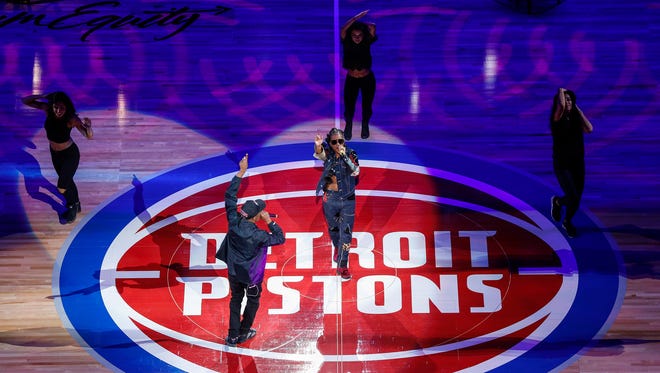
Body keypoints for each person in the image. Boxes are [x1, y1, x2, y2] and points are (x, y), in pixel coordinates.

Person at [215, 154, 285, 347]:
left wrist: (241, 172)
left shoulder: (234, 220)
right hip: (251, 277)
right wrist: (269, 221)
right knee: (252, 302)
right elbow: (280, 238)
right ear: (255, 218)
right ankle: (244, 332)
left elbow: (229, 196)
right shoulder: (258, 235)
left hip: (233, 272)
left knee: (235, 299)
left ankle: (232, 336)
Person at [22, 91, 93, 223]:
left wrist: (88, 127)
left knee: (61, 186)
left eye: (62, 108)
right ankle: (76, 203)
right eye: (56, 107)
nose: (58, 110)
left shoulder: (72, 119)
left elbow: (88, 136)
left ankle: (71, 207)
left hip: (70, 154)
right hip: (55, 154)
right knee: (67, 180)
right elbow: (25, 101)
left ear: (67, 107)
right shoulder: (48, 110)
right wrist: (43, 96)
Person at [313, 128, 360, 281]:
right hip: (330, 199)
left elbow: (355, 170)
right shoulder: (328, 154)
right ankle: (336, 247)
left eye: (340, 141)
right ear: (330, 143)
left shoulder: (351, 153)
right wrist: (318, 146)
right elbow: (320, 153)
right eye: (334, 142)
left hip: (348, 199)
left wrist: (344, 155)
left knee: (346, 233)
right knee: (334, 229)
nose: (338, 144)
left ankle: (343, 265)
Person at [549, 88, 593, 238]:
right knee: (572, 195)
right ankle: (560, 207)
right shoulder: (556, 118)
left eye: (570, 99)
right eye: (565, 99)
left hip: (578, 163)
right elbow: (561, 105)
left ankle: (566, 217)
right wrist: (561, 90)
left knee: (577, 197)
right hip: (562, 164)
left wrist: (577, 109)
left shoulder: (575, 118)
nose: (567, 102)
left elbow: (589, 128)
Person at [341, 9, 377, 140]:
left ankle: (365, 125)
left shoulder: (367, 41)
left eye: (359, 35)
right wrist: (355, 18)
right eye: (354, 35)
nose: (357, 37)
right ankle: (348, 125)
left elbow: (373, 27)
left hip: (367, 79)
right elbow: (343, 29)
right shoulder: (346, 42)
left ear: (363, 35)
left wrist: (362, 23)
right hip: (352, 79)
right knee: (349, 105)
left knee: (367, 105)